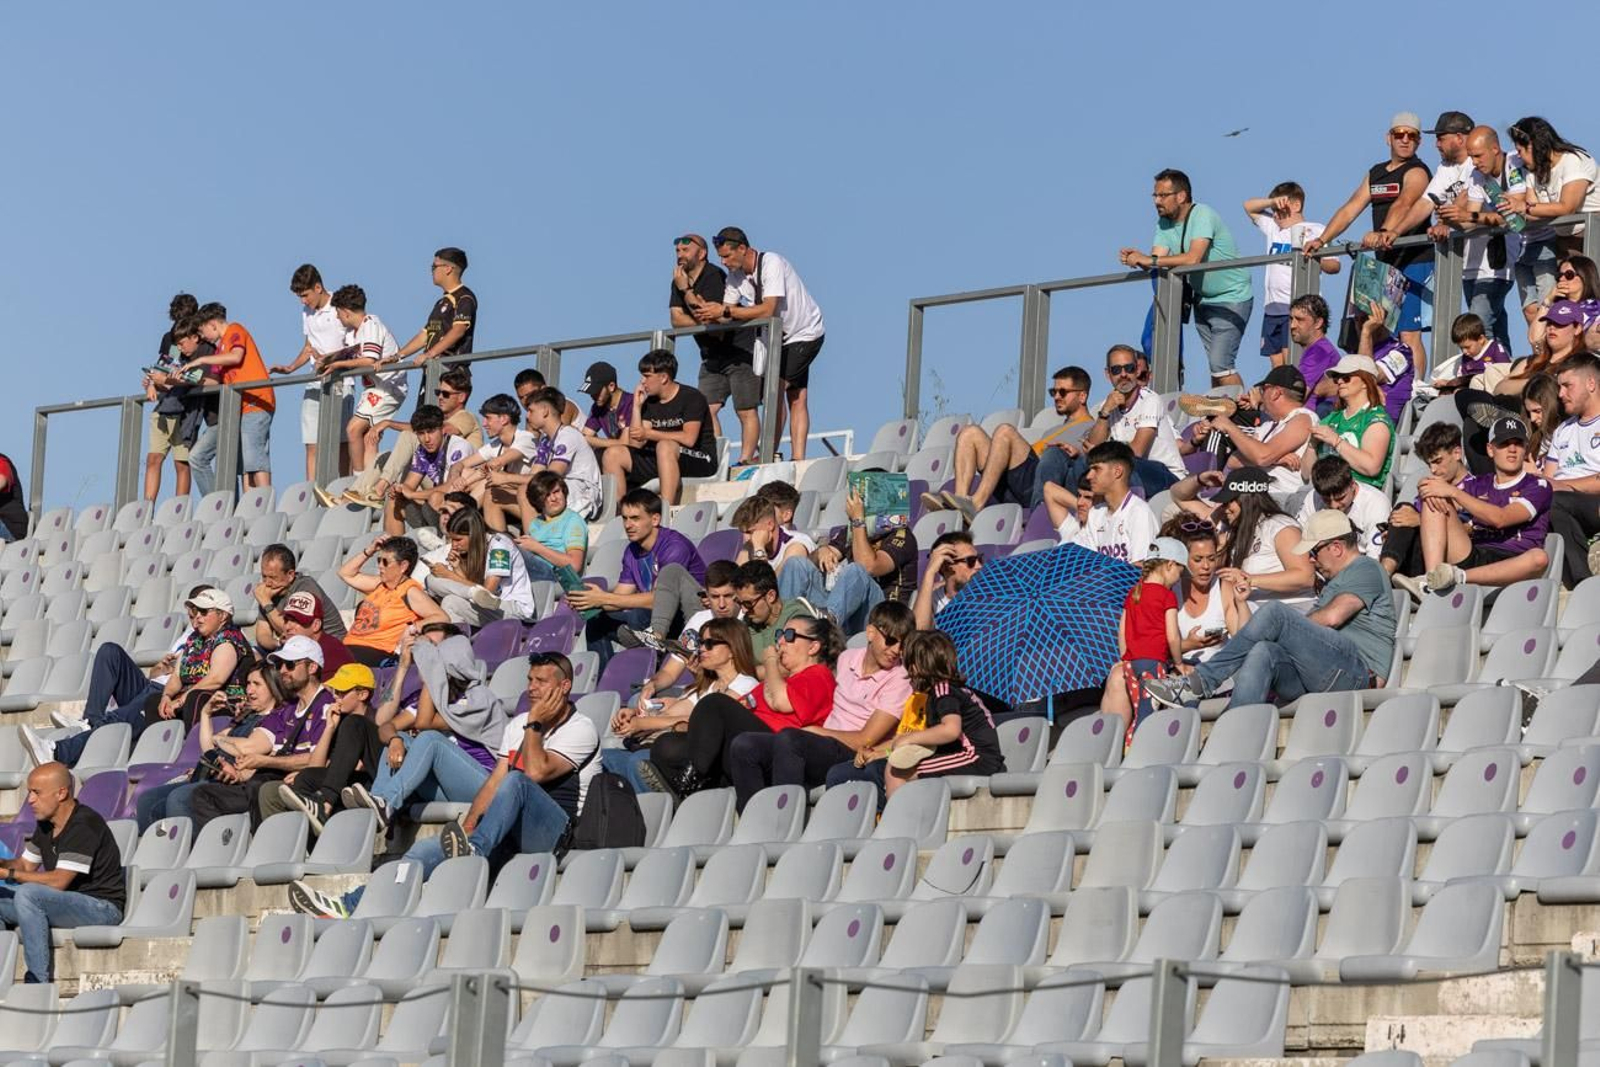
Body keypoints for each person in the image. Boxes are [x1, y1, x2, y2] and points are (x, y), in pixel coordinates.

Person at [291, 651, 597, 919]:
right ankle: (349, 904)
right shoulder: (519, 724)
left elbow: (534, 773)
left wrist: (536, 724)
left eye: (541, 681)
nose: (531, 687)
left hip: (552, 830)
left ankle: (473, 851)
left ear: (564, 686)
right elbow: (492, 784)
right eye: (529, 679)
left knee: (516, 779)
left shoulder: (580, 728)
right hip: (504, 829)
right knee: (419, 853)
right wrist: (469, 825)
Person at [1145, 509, 1397, 710]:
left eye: (1313, 551)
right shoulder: (1335, 581)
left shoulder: (1366, 567)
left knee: (1275, 614)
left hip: (1359, 673)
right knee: (1263, 651)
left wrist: (1288, 628)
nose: (1310, 559)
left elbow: (1332, 617)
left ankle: (1203, 681)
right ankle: (1235, 734)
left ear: (1336, 548)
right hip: (1325, 669)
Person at [727, 601, 913, 809]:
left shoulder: (900, 679)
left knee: (790, 739)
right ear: (870, 633)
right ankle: (753, 825)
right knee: (745, 745)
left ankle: (782, 824)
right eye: (891, 641)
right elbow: (798, 673)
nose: (896, 650)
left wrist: (818, 732)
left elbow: (864, 739)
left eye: (903, 645)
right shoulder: (847, 659)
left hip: (851, 753)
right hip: (822, 744)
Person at [640, 616, 840, 798]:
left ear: (813, 647)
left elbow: (781, 702)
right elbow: (739, 708)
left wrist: (770, 660)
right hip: (739, 746)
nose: (780, 641)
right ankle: (699, 787)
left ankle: (690, 785)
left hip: (775, 749)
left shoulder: (818, 675)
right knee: (666, 746)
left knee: (714, 702)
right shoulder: (772, 682)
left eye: (789, 636)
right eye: (779, 634)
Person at [1304, 113, 1434, 377]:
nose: (1405, 140)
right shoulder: (1376, 173)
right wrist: (1323, 239)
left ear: (1419, 142)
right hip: (1385, 263)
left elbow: (1405, 202)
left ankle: (1416, 387)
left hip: (1414, 260)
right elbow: (1351, 207)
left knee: (1409, 331)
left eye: (1412, 136)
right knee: (1379, 328)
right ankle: (1380, 382)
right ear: (1389, 138)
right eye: (1400, 134)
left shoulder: (1417, 171)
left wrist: (1384, 231)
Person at [342, 627, 506, 834]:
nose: (425, 666)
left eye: (434, 662)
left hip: (483, 785)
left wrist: (432, 675)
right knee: (400, 737)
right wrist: (394, 740)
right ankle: (379, 801)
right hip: (449, 786)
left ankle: (388, 802)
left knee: (431, 740)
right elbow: (385, 726)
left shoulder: (478, 698)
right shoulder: (435, 699)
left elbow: (424, 723)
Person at [1118, 169, 1255, 388]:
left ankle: (1245, 415)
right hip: (1203, 299)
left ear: (1181, 196)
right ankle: (1221, 413)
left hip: (1232, 297)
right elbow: (1158, 258)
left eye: (1162, 195)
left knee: (1221, 364)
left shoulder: (1202, 214)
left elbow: (1193, 258)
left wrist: (1148, 260)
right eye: (1155, 196)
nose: (1157, 201)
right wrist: (1138, 260)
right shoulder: (1163, 222)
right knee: (1216, 368)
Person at [1392, 415, 1552, 599]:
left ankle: (1450, 578)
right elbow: (1436, 494)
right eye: (1504, 443)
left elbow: (1501, 519)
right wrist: (1426, 486)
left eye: (1519, 443)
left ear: (1526, 449)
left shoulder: (1538, 485)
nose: (1512, 449)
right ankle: (1432, 580)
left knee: (1539, 558)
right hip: (1473, 553)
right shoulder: (1479, 483)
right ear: (1490, 450)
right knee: (1435, 497)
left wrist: (1453, 492)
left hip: (1515, 559)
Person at [184, 637, 335, 829]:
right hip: (265, 779)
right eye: (280, 665)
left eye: (289, 665)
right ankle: (226, 849)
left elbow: (316, 760)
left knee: (259, 786)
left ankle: (260, 845)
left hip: (295, 786)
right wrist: (242, 772)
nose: (282, 671)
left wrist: (264, 761)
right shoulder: (286, 708)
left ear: (312, 668)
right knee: (202, 795)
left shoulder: (325, 705)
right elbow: (260, 748)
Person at [607, 615, 760, 795]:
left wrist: (643, 724)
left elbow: (703, 725)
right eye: (701, 643)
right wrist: (634, 714)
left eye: (710, 644)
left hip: (705, 763)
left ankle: (662, 809)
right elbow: (674, 713)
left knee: (637, 761)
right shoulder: (709, 686)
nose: (702, 649)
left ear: (732, 649)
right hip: (672, 748)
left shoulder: (745, 684)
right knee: (608, 758)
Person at [0, 764, 124, 983]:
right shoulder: (46, 824)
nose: (29, 800)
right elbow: (25, 865)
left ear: (61, 793)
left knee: (28, 894)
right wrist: (3, 864)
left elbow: (59, 881)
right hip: (64, 903)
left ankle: (37, 981)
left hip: (100, 908)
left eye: (36, 792)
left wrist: (9, 874)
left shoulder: (84, 824)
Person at [848, 630, 1004, 802]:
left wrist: (910, 738)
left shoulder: (944, 692)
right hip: (972, 756)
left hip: (976, 758)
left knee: (896, 771)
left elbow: (951, 730)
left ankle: (896, 820)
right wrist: (881, 752)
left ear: (917, 666)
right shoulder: (940, 692)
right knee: (894, 765)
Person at [712, 227, 825, 460]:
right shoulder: (735, 276)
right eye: (721, 257)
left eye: (727, 256)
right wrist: (708, 311)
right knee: (797, 395)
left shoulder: (771, 262)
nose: (723, 262)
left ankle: (768, 452)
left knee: (775, 390)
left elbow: (768, 309)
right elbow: (726, 313)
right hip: (776, 338)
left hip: (804, 332)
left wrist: (726, 310)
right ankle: (796, 456)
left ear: (742, 249)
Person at [933, 366, 1094, 517]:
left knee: (1005, 432)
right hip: (1018, 482)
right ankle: (960, 504)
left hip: (1042, 482)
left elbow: (1091, 460)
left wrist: (1076, 451)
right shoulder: (1051, 430)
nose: (1057, 397)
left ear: (1082, 396)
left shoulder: (1092, 427)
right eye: (1054, 392)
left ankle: (976, 504)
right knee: (969, 433)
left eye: (1063, 392)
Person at [135, 660, 277, 830]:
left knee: (178, 798)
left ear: (273, 687)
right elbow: (209, 749)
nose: (249, 690)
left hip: (231, 784)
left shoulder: (275, 720)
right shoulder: (245, 715)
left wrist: (219, 740)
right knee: (147, 800)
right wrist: (206, 713)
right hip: (209, 775)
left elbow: (244, 747)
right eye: (248, 683)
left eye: (257, 684)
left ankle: (191, 850)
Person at [567, 489, 707, 656]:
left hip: (687, 618)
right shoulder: (632, 550)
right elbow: (620, 596)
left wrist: (603, 598)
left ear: (655, 519)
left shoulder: (674, 546)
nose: (627, 525)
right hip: (651, 618)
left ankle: (653, 668)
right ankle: (607, 678)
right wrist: (589, 601)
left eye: (635, 518)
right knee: (596, 620)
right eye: (625, 518)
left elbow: (661, 601)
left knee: (639, 615)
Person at [259, 662, 382, 833]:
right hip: (343, 783)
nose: (336, 697)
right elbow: (315, 767)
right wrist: (329, 728)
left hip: (369, 783)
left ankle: (325, 806)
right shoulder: (340, 721)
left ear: (362, 694)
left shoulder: (377, 718)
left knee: (306, 778)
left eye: (342, 692)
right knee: (294, 781)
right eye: (335, 692)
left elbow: (360, 764)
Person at [670, 233, 759, 465]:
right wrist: (702, 319)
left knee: (745, 409)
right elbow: (677, 320)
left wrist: (687, 292)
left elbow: (714, 320)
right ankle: (718, 461)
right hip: (711, 355)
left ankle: (747, 459)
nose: (680, 255)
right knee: (705, 411)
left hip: (739, 350)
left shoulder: (713, 276)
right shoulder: (678, 280)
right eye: (678, 251)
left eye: (685, 251)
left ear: (702, 253)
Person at [780, 488, 918, 633]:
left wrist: (858, 520)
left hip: (885, 615)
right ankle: (782, 626)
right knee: (796, 563)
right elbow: (815, 560)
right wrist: (822, 551)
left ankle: (828, 625)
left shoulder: (902, 535)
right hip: (847, 611)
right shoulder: (850, 532)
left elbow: (869, 566)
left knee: (856, 570)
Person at [343, 367, 482, 509]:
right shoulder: (439, 423)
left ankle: (379, 491)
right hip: (434, 476)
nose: (440, 397)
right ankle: (350, 498)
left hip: (453, 485)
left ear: (461, 397)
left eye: (445, 394)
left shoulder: (466, 417)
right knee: (385, 456)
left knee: (408, 436)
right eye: (438, 392)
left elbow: (443, 429)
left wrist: (388, 423)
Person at [1057, 345, 1186, 495]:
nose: (1123, 374)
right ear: (1108, 374)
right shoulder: (1109, 403)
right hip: (1129, 470)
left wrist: (1101, 453)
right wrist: (1105, 412)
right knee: (1082, 463)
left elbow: (1137, 451)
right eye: (1116, 370)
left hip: (1166, 476)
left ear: (1137, 370)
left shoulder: (1150, 400)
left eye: (1129, 368)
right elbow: (1092, 445)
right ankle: (1077, 511)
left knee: (1118, 464)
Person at [601, 349, 718, 506]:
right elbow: (636, 443)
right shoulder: (650, 403)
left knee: (665, 446)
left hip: (699, 459)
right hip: (662, 458)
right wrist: (636, 407)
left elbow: (689, 439)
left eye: (647, 376)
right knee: (612, 454)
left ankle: (665, 510)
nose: (642, 381)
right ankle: (620, 511)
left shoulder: (692, 397)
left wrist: (649, 433)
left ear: (663, 377)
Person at [1100, 537, 1189, 742]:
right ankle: (1138, 748)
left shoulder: (1133, 593)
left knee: (1139, 706)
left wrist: (1125, 658)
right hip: (1153, 664)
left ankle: (1127, 745)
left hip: (1130, 664)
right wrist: (1178, 663)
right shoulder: (1167, 596)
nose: (1177, 579)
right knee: (1147, 712)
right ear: (1170, 565)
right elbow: (1173, 636)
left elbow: (1121, 632)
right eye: (1179, 573)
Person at [1463, 125, 1554, 325]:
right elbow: (1468, 220)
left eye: (1478, 156)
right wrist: (1450, 220)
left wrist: (1468, 216)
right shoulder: (1477, 174)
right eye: (1471, 157)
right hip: (1522, 248)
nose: (1474, 162)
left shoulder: (1514, 162)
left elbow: (1512, 211)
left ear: (1495, 148)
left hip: (1545, 239)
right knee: (1531, 311)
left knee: (1548, 308)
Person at [183, 302, 276, 494]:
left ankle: (265, 500)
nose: (203, 336)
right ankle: (251, 505)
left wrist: (201, 360)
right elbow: (212, 380)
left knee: (254, 458)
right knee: (244, 464)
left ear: (213, 324)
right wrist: (179, 379)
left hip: (256, 401)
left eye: (202, 331)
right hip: (240, 408)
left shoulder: (235, 330)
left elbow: (236, 356)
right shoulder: (219, 351)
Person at [1181, 364, 1314, 498]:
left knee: (1222, 430)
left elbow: (1262, 456)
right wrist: (1275, 459)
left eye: (1263, 390)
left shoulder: (1302, 418)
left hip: (1282, 496)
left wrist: (1230, 426)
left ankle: (1207, 489)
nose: (1262, 395)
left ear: (1275, 393)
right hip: (1256, 494)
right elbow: (1234, 461)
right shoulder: (1268, 425)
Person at [1243, 183, 1341, 364]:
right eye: (1273, 209)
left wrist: (1316, 257)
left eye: (1281, 209)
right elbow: (1248, 206)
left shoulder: (1317, 230)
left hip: (1298, 309)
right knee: (1277, 367)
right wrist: (1273, 201)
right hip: (1272, 309)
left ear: (1296, 206)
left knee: (1293, 362)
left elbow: (1335, 266)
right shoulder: (1274, 227)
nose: (1276, 214)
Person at [270, 265, 351, 482]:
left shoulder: (340, 306)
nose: (303, 301)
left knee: (342, 442)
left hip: (341, 380)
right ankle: (312, 494)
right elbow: (309, 346)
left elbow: (353, 346)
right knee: (311, 442)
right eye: (299, 296)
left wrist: (329, 359)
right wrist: (290, 367)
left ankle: (344, 490)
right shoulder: (306, 311)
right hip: (315, 382)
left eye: (305, 295)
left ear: (318, 287)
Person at [317, 285, 406, 480]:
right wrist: (328, 359)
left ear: (345, 312)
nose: (338, 319)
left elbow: (369, 360)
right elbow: (350, 353)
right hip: (374, 388)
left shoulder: (371, 325)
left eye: (338, 314)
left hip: (388, 387)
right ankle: (369, 481)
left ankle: (358, 482)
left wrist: (338, 363)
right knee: (368, 438)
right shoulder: (354, 332)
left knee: (353, 428)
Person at [1191, 466, 1315, 600]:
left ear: (1246, 500)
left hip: (1289, 608)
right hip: (1251, 608)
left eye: (1228, 502)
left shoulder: (1281, 527)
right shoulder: (1238, 532)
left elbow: (1306, 576)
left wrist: (1250, 580)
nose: (1224, 508)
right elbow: (1178, 496)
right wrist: (1214, 518)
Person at [636, 560, 745, 701]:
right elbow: (670, 672)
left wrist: (705, 677)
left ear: (739, 592)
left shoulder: (749, 619)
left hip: (737, 694)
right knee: (638, 700)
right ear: (706, 594)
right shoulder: (699, 620)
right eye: (715, 597)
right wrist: (652, 685)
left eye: (728, 596)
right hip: (703, 691)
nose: (722, 604)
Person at [339, 536, 449, 667]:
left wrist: (412, 628)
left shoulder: (409, 591)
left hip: (376, 651)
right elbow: (345, 573)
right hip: (349, 646)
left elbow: (442, 617)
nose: (380, 566)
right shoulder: (379, 584)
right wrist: (369, 550)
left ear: (403, 566)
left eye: (385, 562)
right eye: (378, 560)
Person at [1045, 441, 1158, 565]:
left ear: (1117, 472)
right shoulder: (1095, 514)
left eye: (1096, 469)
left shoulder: (1139, 513)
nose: (1089, 476)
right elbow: (1078, 559)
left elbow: (1141, 569)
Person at [423, 506, 537, 626]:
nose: (454, 545)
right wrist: (457, 569)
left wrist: (450, 575)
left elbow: (487, 593)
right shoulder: (472, 548)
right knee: (431, 580)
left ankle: (458, 641)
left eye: (458, 540)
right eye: (452, 540)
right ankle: (459, 637)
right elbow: (475, 588)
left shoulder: (500, 547)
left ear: (473, 535)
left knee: (450, 603)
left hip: (513, 608)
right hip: (485, 603)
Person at [1542, 353, 1600, 585]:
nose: (1560, 394)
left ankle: (1581, 583)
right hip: (1564, 501)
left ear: (1591, 383)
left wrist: (1564, 486)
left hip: (1594, 502)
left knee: (1554, 499)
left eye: (1567, 386)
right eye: (1559, 387)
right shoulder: (1562, 430)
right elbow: (1548, 479)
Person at [380, 403, 475, 536]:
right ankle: (395, 550)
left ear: (443, 429)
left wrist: (412, 495)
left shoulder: (458, 446)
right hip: (437, 510)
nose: (427, 439)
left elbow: (451, 489)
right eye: (421, 433)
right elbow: (410, 484)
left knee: (436, 497)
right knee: (393, 498)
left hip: (466, 509)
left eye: (431, 431)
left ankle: (444, 542)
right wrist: (399, 489)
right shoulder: (422, 451)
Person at [143, 293, 203, 500]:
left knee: (181, 463)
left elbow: (197, 377)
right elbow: (161, 364)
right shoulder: (169, 337)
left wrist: (164, 381)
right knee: (153, 458)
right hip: (166, 404)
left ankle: (179, 510)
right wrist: (152, 383)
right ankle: (146, 509)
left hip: (187, 409)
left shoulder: (201, 341)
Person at [449, 394, 537, 528]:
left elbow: (498, 462)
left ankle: (461, 521)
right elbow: (459, 464)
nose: (484, 424)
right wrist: (457, 479)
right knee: (465, 472)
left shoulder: (526, 439)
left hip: (529, 500)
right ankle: (451, 516)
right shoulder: (496, 444)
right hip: (510, 493)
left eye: (488, 418)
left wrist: (466, 483)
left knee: (489, 482)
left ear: (504, 419)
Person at [1310, 355, 1395, 489]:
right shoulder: (1331, 418)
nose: (1340, 382)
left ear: (1365, 382)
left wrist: (1336, 441)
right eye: (1337, 378)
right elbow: (1305, 474)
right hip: (1324, 490)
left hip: (1361, 493)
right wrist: (1312, 445)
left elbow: (1371, 467)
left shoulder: (1376, 420)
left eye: (1346, 377)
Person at [521, 386, 602, 522]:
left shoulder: (568, 435)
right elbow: (534, 474)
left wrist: (506, 478)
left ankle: (539, 539)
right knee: (496, 495)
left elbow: (550, 477)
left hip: (582, 494)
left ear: (545, 411)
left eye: (530, 411)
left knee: (525, 491)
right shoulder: (546, 440)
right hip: (560, 491)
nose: (527, 416)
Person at [253, 544, 348, 653]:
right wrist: (278, 643)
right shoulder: (268, 594)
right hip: (299, 648)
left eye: (273, 577)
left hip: (330, 648)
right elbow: (262, 634)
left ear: (290, 575)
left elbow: (296, 631)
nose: (267, 583)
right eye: (264, 576)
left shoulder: (305, 587)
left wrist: (266, 602)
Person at [1295, 454, 1392, 561]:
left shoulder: (1376, 503)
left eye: (1340, 498)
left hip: (1360, 562)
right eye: (1326, 500)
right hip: (1322, 560)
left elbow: (1375, 557)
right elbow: (1298, 536)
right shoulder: (1313, 496)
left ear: (1352, 485)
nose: (1333, 506)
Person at [397, 247, 476, 366]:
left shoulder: (465, 297)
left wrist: (429, 354)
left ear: (448, 269)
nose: (431, 271)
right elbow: (424, 336)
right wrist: (397, 356)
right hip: (432, 372)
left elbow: (458, 330)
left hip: (452, 374)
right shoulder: (440, 302)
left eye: (434, 267)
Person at [734, 560, 818, 664]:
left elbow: (797, 664)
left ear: (771, 596)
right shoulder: (746, 624)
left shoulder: (796, 619)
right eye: (739, 602)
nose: (744, 610)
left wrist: (751, 673)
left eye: (748, 603)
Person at [515, 471, 588, 584]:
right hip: (533, 571)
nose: (554, 498)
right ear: (538, 501)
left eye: (556, 491)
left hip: (554, 576)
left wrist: (537, 547)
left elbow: (574, 565)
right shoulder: (535, 523)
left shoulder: (572, 520)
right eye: (547, 495)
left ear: (564, 492)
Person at [913, 530, 984, 631]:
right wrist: (930, 573)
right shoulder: (933, 600)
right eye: (971, 561)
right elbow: (919, 630)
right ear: (946, 567)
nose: (979, 566)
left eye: (980, 559)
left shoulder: (988, 594)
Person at [732, 496, 813, 579]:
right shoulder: (749, 546)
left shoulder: (796, 546)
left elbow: (770, 585)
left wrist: (759, 548)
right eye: (744, 532)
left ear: (770, 525)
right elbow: (734, 583)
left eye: (751, 532)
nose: (747, 538)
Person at [1288, 295, 1343, 414]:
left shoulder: (1319, 351)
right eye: (1291, 319)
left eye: (1299, 320)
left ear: (1318, 323)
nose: (1292, 325)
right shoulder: (1318, 349)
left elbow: (1296, 397)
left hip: (1312, 421)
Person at [577, 360, 635, 458]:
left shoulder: (631, 403)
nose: (592, 396)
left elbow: (625, 443)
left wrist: (589, 439)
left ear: (611, 386)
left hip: (635, 457)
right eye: (591, 392)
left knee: (606, 454)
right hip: (614, 456)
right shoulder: (597, 407)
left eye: (597, 391)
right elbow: (584, 437)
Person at [512, 369, 583, 428]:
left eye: (530, 394)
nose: (525, 401)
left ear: (544, 389)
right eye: (521, 398)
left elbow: (559, 436)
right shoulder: (531, 416)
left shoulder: (563, 405)